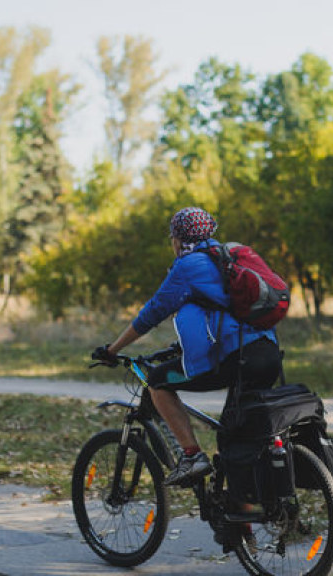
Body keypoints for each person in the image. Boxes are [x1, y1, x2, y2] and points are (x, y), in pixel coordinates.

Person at [94, 207, 282, 486]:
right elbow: (222, 313)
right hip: (267, 353)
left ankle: (192, 456)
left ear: (178, 239)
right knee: (236, 437)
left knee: (157, 382)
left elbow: (152, 313)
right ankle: (240, 521)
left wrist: (113, 349)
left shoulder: (187, 266)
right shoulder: (230, 259)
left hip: (236, 358)